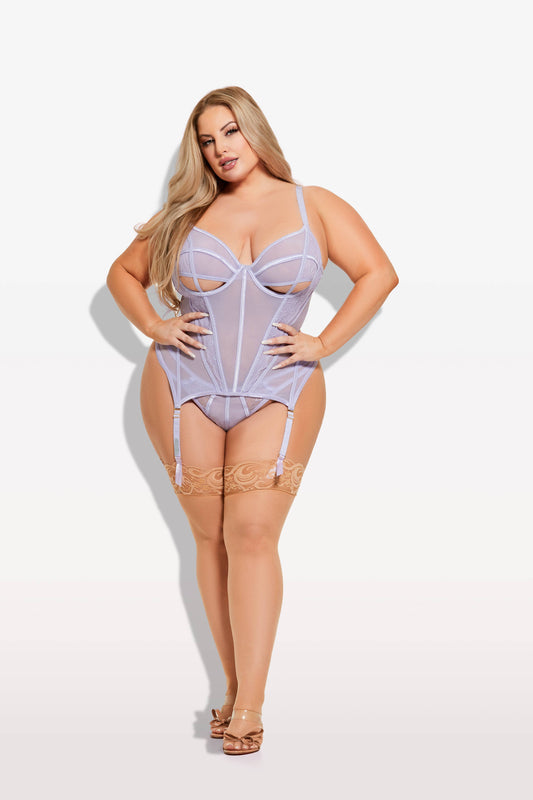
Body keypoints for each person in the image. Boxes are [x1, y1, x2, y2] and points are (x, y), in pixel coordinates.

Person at [106, 85, 399, 755]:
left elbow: (378, 273)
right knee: (209, 537)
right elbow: (121, 273)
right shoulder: (186, 213)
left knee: (253, 532)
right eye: (207, 140)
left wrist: (324, 342)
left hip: (280, 385)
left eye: (230, 132)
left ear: (255, 131)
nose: (221, 149)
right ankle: (233, 689)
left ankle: (251, 704)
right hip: (183, 383)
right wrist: (153, 323)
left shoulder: (313, 204)